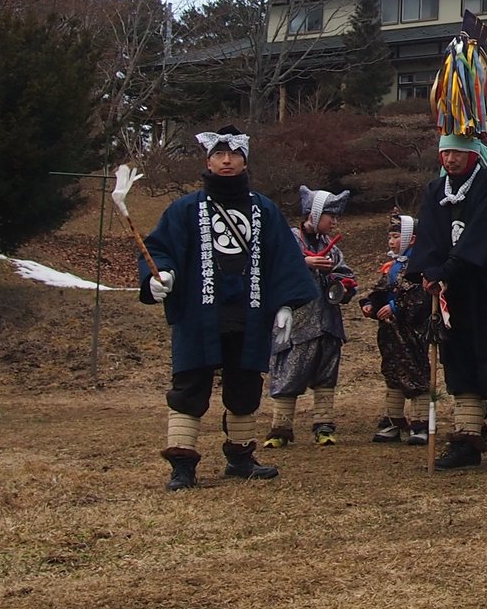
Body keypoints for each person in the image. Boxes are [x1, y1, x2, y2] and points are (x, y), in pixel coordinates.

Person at [139, 128, 316, 489]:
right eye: (219, 155)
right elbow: (160, 249)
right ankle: (182, 464)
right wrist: (161, 276)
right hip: (198, 311)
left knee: (245, 384)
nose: (226, 161)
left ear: (245, 161)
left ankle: (240, 457)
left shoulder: (265, 210)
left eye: (234, 155)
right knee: (189, 385)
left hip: (248, 312)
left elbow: (283, 258)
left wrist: (284, 303)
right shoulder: (184, 209)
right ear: (208, 161)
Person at [408, 17, 487, 475]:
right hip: (455, 295)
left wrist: (451, 268)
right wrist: (428, 271)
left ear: (472, 152)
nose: (449, 158)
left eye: (457, 151)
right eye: (444, 152)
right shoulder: (434, 190)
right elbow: (429, 234)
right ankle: (465, 438)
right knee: (459, 364)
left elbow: (486, 237)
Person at [266, 185, 355, 446]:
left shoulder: (332, 248)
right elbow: (271, 268)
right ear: (314, 215)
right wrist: (304, 263)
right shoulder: (288, 240)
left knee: (326, 374)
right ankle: (280, 430)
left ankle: (324, 426)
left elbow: (347, 276)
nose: (334, 222)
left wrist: (342, 283)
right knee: (288, 372)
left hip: (328, 322)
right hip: (295, 322)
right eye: (330, 216)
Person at [360, 213, 432, 445]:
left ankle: (420, 423)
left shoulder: (421, 265)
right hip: (390, 330)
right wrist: (371, 304)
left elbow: (421, 296)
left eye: (396, 236)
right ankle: (393, 420)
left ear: (412, 239)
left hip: (412, 330)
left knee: (415, 371)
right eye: (390, 237)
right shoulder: (393, 265)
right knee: (391, 370)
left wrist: (396, 307)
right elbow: (379, 289)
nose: (391, 241)